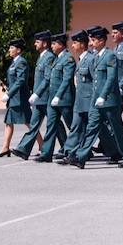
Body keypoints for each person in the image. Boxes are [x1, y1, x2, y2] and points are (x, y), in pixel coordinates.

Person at [68, 26, 123, 168]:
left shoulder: (110, 55)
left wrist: (103, 96)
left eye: (93, 40)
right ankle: (81, 157)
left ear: (102, 41)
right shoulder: (96, 57)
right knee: (91, 128)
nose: (91, 43)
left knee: (117, 130)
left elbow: (111, 78)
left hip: (109, 101)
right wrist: (95, 97)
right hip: (96, 101)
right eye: (91, 40)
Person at [11, 31, 56, 159]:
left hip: (46, 97)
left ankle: (67, 148)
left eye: (37, 41)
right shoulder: (42, 57)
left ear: (45, 43)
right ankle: (23, 149)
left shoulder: (49, 57)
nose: (35, 44)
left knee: (55, 126)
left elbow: (47, 79)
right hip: (38, 99)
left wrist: (36, 94)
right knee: (34, 124)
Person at [35, 33, 75, 162]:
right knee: (51, 126)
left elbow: (66, 80)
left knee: (73, 126)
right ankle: (46, 153)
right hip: (52, 99)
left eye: (54, 43)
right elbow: (48, 79)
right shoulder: (56, 59)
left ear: (61, 45)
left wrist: (58, 96)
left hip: (64, 99)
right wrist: (38, 93)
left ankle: (76, 150)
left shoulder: (68, 59)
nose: (51, 46)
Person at [0, 38, 32, 157]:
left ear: (18, 50)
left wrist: (9, 94)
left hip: (20, 98)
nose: (9, 50)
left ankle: (42, 147)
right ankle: (5, 148)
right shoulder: (15, 62)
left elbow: (21, 80)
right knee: (9, 122)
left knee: (29, 123)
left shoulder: (21, 62)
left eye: (12, 48)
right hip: (14, 98)